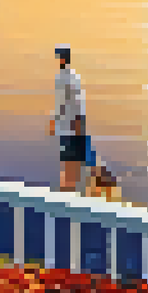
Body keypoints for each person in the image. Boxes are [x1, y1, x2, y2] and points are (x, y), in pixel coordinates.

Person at [49, 44, 87, 193]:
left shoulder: (64, 78)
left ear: (62, 59)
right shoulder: (72, 76)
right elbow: (74, 101)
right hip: (72, 125)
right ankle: (73, 190)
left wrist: (55, 122)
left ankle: (68, 192)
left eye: (59, 57)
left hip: (69, 127)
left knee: (69, 161)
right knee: (73, 162)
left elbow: (66, 102)